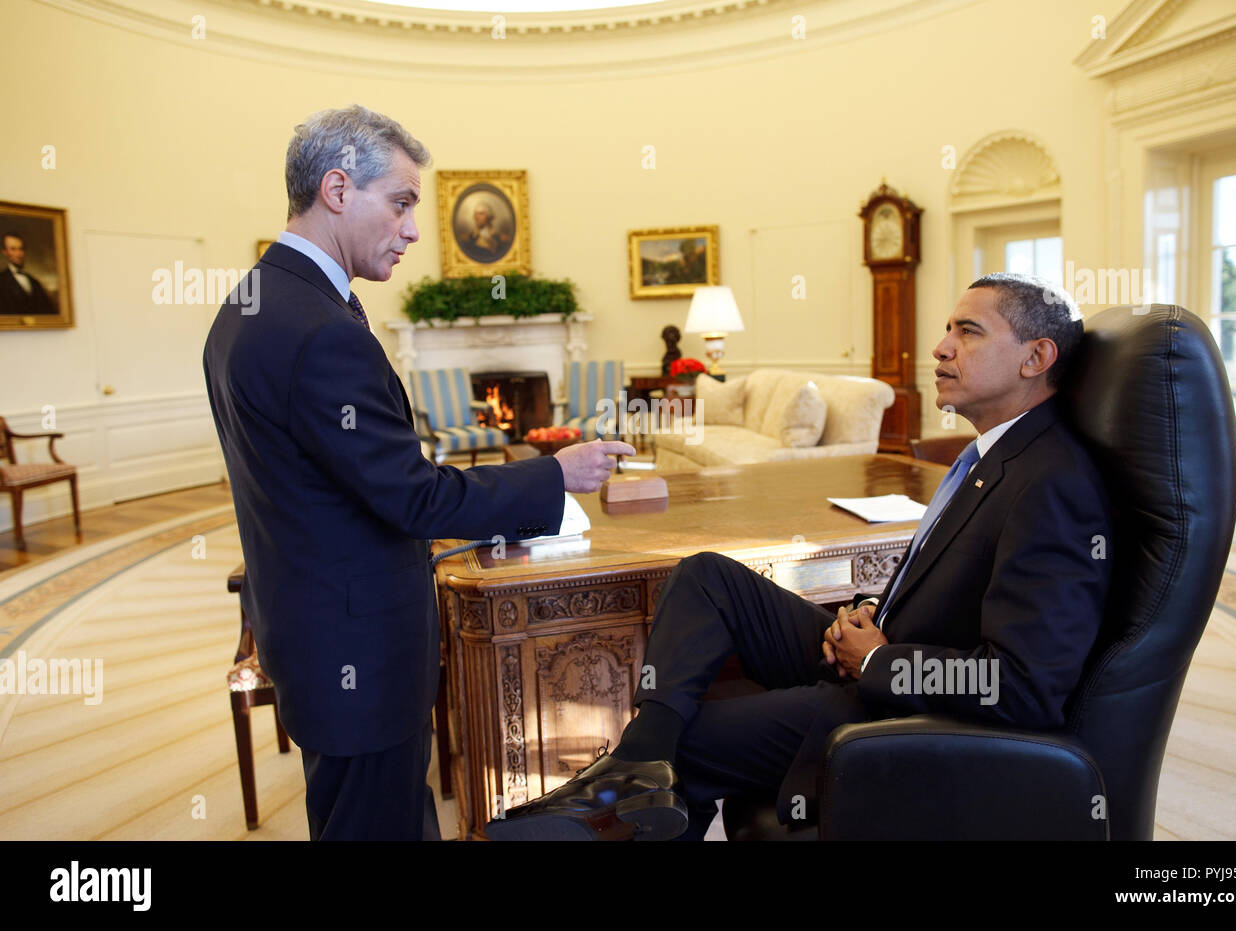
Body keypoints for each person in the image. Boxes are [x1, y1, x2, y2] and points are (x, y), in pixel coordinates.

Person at [486, 271, 1113, 841]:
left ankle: (630, 778)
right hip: (879, 648)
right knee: (706, 576)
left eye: (968, 332)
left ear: (1037, 357)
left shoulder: (1053, 484)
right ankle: (637, 760)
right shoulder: (990, 458)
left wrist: (880, 662)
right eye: (948, 329)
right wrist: (868, 611)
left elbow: (1027, 687)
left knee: (693, 738)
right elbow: (946, 584)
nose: (941, 347)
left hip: (898, 705)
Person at [203, 105, 633, 841]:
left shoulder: (250, 303)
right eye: (401, 203)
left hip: (311, 638)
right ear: (337, 190)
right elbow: (412, 495)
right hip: (358, 656)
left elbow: (347, 480)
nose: (411, 228)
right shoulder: (317, 329)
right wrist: (552, 474)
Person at [0, 232, 57, 316]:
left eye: (21, 249)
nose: (19, 254)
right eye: (13, 249)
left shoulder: (34, 282)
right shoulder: (2, 281)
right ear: (5, 252)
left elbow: (50, 313)